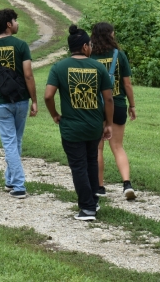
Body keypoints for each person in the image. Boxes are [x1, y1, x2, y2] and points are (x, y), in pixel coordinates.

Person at [44, 25, 114, 221]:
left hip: (71, 127)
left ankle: (87, 208)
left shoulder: (59, 67)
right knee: (91, 161)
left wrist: (55, 114)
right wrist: (108, 123)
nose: (91, 47)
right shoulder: (98, 67)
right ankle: (93, 201)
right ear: (85, 47)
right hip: (94, 126)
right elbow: (108, 99)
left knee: (78, 166)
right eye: (90, 45)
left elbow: (48, 95)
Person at [0, 9, 38, 199]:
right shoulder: (21, 45)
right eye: (15, 20)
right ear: (8, 24)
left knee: (11, 142)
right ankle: (18, 184)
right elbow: (28, 74)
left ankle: (11, 180)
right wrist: (34, 100)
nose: (17, 23)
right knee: (15, 141)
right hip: (21, 99)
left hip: (1, 102)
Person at [90, 22, 137, 200]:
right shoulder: (119, 55)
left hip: (96, 106)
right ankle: (127, 184)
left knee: (98, 148)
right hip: (117, 103)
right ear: (110, 35)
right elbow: (127, 83)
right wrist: (132, 105)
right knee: (117, 146)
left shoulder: (90, 56)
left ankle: (100, 187)